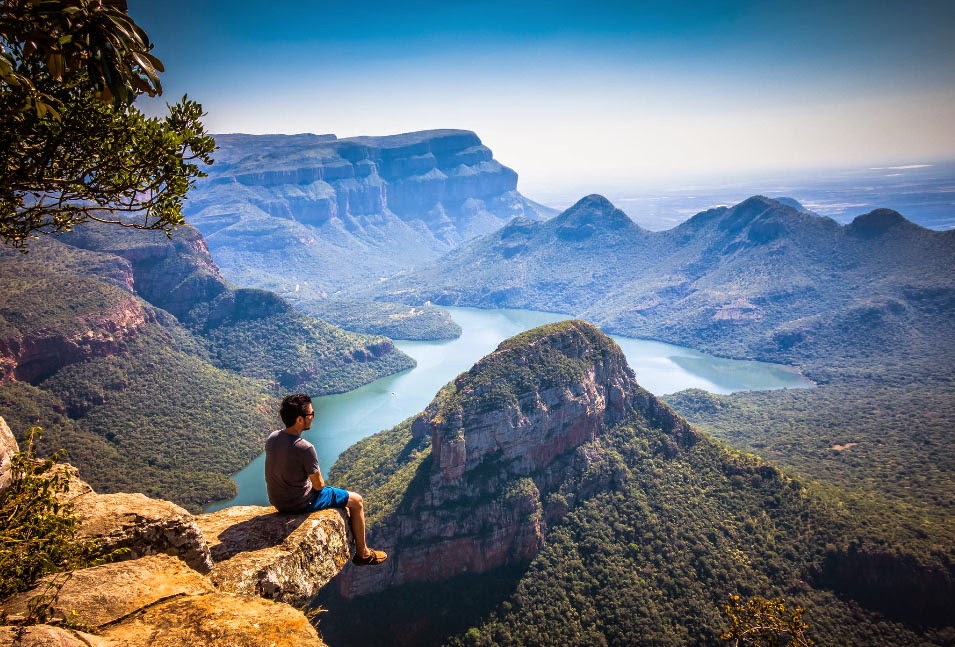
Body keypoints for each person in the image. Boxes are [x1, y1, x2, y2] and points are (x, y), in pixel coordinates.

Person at [265, 393, 387, 566]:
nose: (313, 418)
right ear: (300, 419)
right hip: (300, 503)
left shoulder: (273, 438)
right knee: (357, 500)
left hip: (278, 501)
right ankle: (363, 553)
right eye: (311, 415)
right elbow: (319, 485)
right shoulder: (305, 448)